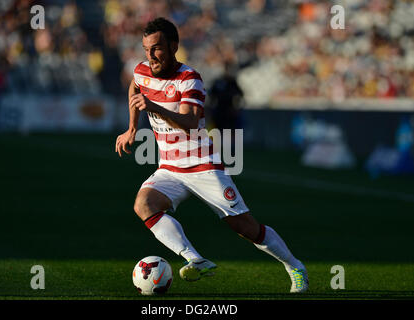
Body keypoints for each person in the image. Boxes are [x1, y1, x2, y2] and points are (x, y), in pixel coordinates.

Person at [115, 17, 308, 293]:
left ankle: (295, 266)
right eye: (146, 49)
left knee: (245, 227)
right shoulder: (142, 71)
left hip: (202, 166)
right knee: (144, 204)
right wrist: (132, 127)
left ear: (173, 46)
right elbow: (135, 87)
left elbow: (191, 122)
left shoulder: (189, 79)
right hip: (169, 168)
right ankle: (196, 259)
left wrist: (154, 107)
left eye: (157, 48)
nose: (151, 55)